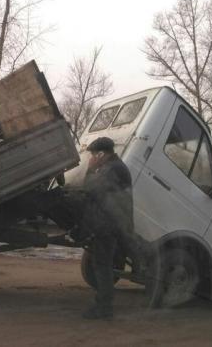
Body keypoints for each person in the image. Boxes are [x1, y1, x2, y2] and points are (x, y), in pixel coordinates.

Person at [79, 136, 136, 320]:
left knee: (103, 267)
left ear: (102, 154)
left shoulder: (113, 169)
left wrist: (89, 170)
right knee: (101, 265)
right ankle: (103, 305)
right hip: (108, 224)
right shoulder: (113, 167)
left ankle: (104, 308)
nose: (92, 158)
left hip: (108, 226)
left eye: (94, 155)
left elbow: (90, 188)